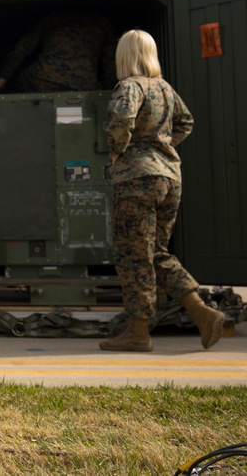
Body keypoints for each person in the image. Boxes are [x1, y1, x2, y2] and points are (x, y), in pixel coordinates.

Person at [99, 30, 224, 352]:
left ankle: (138, 334)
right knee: (155, 252)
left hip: (137, 179)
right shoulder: (165, 88)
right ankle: (201, 311)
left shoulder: (130, 86)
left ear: (123, 55)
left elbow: (120, 119)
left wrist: (118, 150)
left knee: (132, 257)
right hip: (169, 176)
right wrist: (160, 146)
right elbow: (185, 122)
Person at [0, 9, 115, 94]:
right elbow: (110, 62)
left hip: (42, 79)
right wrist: (105, 91)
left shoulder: (53, 18)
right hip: (85, 85)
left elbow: (23, 48)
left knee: (11, 88)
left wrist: (2, 80)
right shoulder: (102, 24)